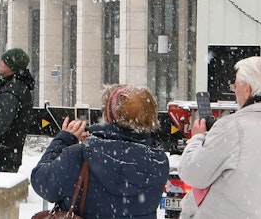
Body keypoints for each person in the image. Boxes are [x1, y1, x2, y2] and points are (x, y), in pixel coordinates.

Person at [178, 56, 261, 219]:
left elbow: (192, 173)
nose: (234, 90)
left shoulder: (233, 128)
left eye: (235, 85)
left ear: (247, 89)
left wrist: (197, 138)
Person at [30, 84, 169, 218]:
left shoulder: (78, 156)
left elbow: (42, 183)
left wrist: (64, 140)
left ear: (109, 116)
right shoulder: (158, 162)